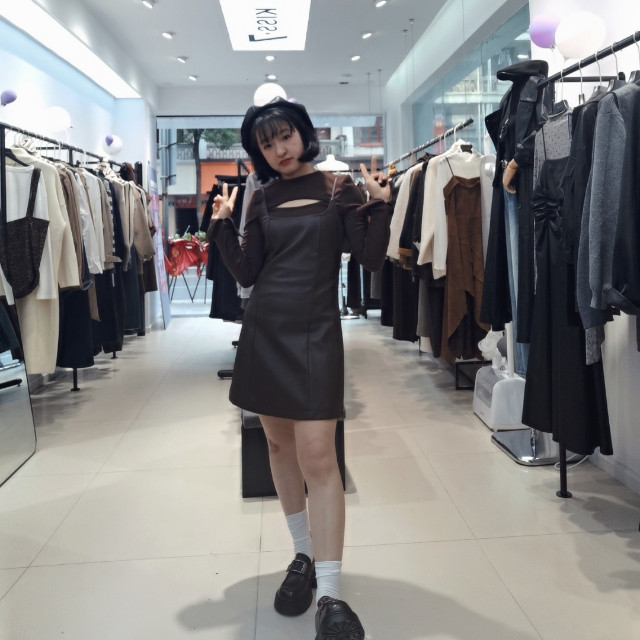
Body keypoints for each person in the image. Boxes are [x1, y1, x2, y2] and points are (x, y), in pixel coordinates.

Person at [207, 97, 392, 640]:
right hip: (265, 333)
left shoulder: (339, 188)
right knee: (278, 447)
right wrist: (221, 226)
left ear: (304, 133)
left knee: (319, 457)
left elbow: (370, 259)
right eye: (266, 144)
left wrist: (381, 205)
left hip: (316, 336)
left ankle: (330, 595)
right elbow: (247, 271)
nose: (279, 149)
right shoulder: (261, 197)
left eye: (285, 136)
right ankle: (303, 557)